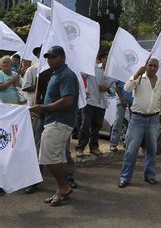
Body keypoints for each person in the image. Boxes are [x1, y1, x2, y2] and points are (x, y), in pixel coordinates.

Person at [29, 46, 79, 206]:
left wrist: (43, 108)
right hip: (53, 120)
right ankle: (62, 188)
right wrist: (42, 112)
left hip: (60, 122)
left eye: (54, 57)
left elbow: (67, 101)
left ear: (63, 57)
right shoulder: (55, 74)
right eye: (48, 57)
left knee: (47, 156)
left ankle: (63, 187)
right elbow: (53, 99)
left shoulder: (66, 75)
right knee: (58, 157)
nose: (50, 60)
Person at [118, 58, 161, 188]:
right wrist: (137, 73)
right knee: (131, 150)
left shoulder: (160, 83)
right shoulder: (139, 79)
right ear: (146, 66)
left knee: (151, 150)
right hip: (137, 119)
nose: (153, 68)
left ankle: (150, 176)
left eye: (155, 66)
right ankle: (125, 178)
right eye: (150, 65)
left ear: (158, 68)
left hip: (154, 120)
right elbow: (126, 88)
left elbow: (160, 100)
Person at [76, 51, 114, 157]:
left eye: (109, 59)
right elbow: (80, 75)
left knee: (97, 127)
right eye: (105, 58)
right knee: (85, 125)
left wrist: (107, 89)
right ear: (101, 59)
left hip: (102, 103)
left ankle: (94, 147)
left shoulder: (112, 73)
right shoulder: (92, 68)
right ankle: (80, 148)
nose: (107, 60)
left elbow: (114, 90)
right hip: (90, 101)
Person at [110, 80, 133, 152]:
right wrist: (122, 98)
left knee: (133, 123)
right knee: (119, 120)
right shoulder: (120, 70)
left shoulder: (135, 71)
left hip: (133, 100)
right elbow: (116, 87)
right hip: (121, 98)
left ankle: (127, 143)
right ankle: (113, 143)